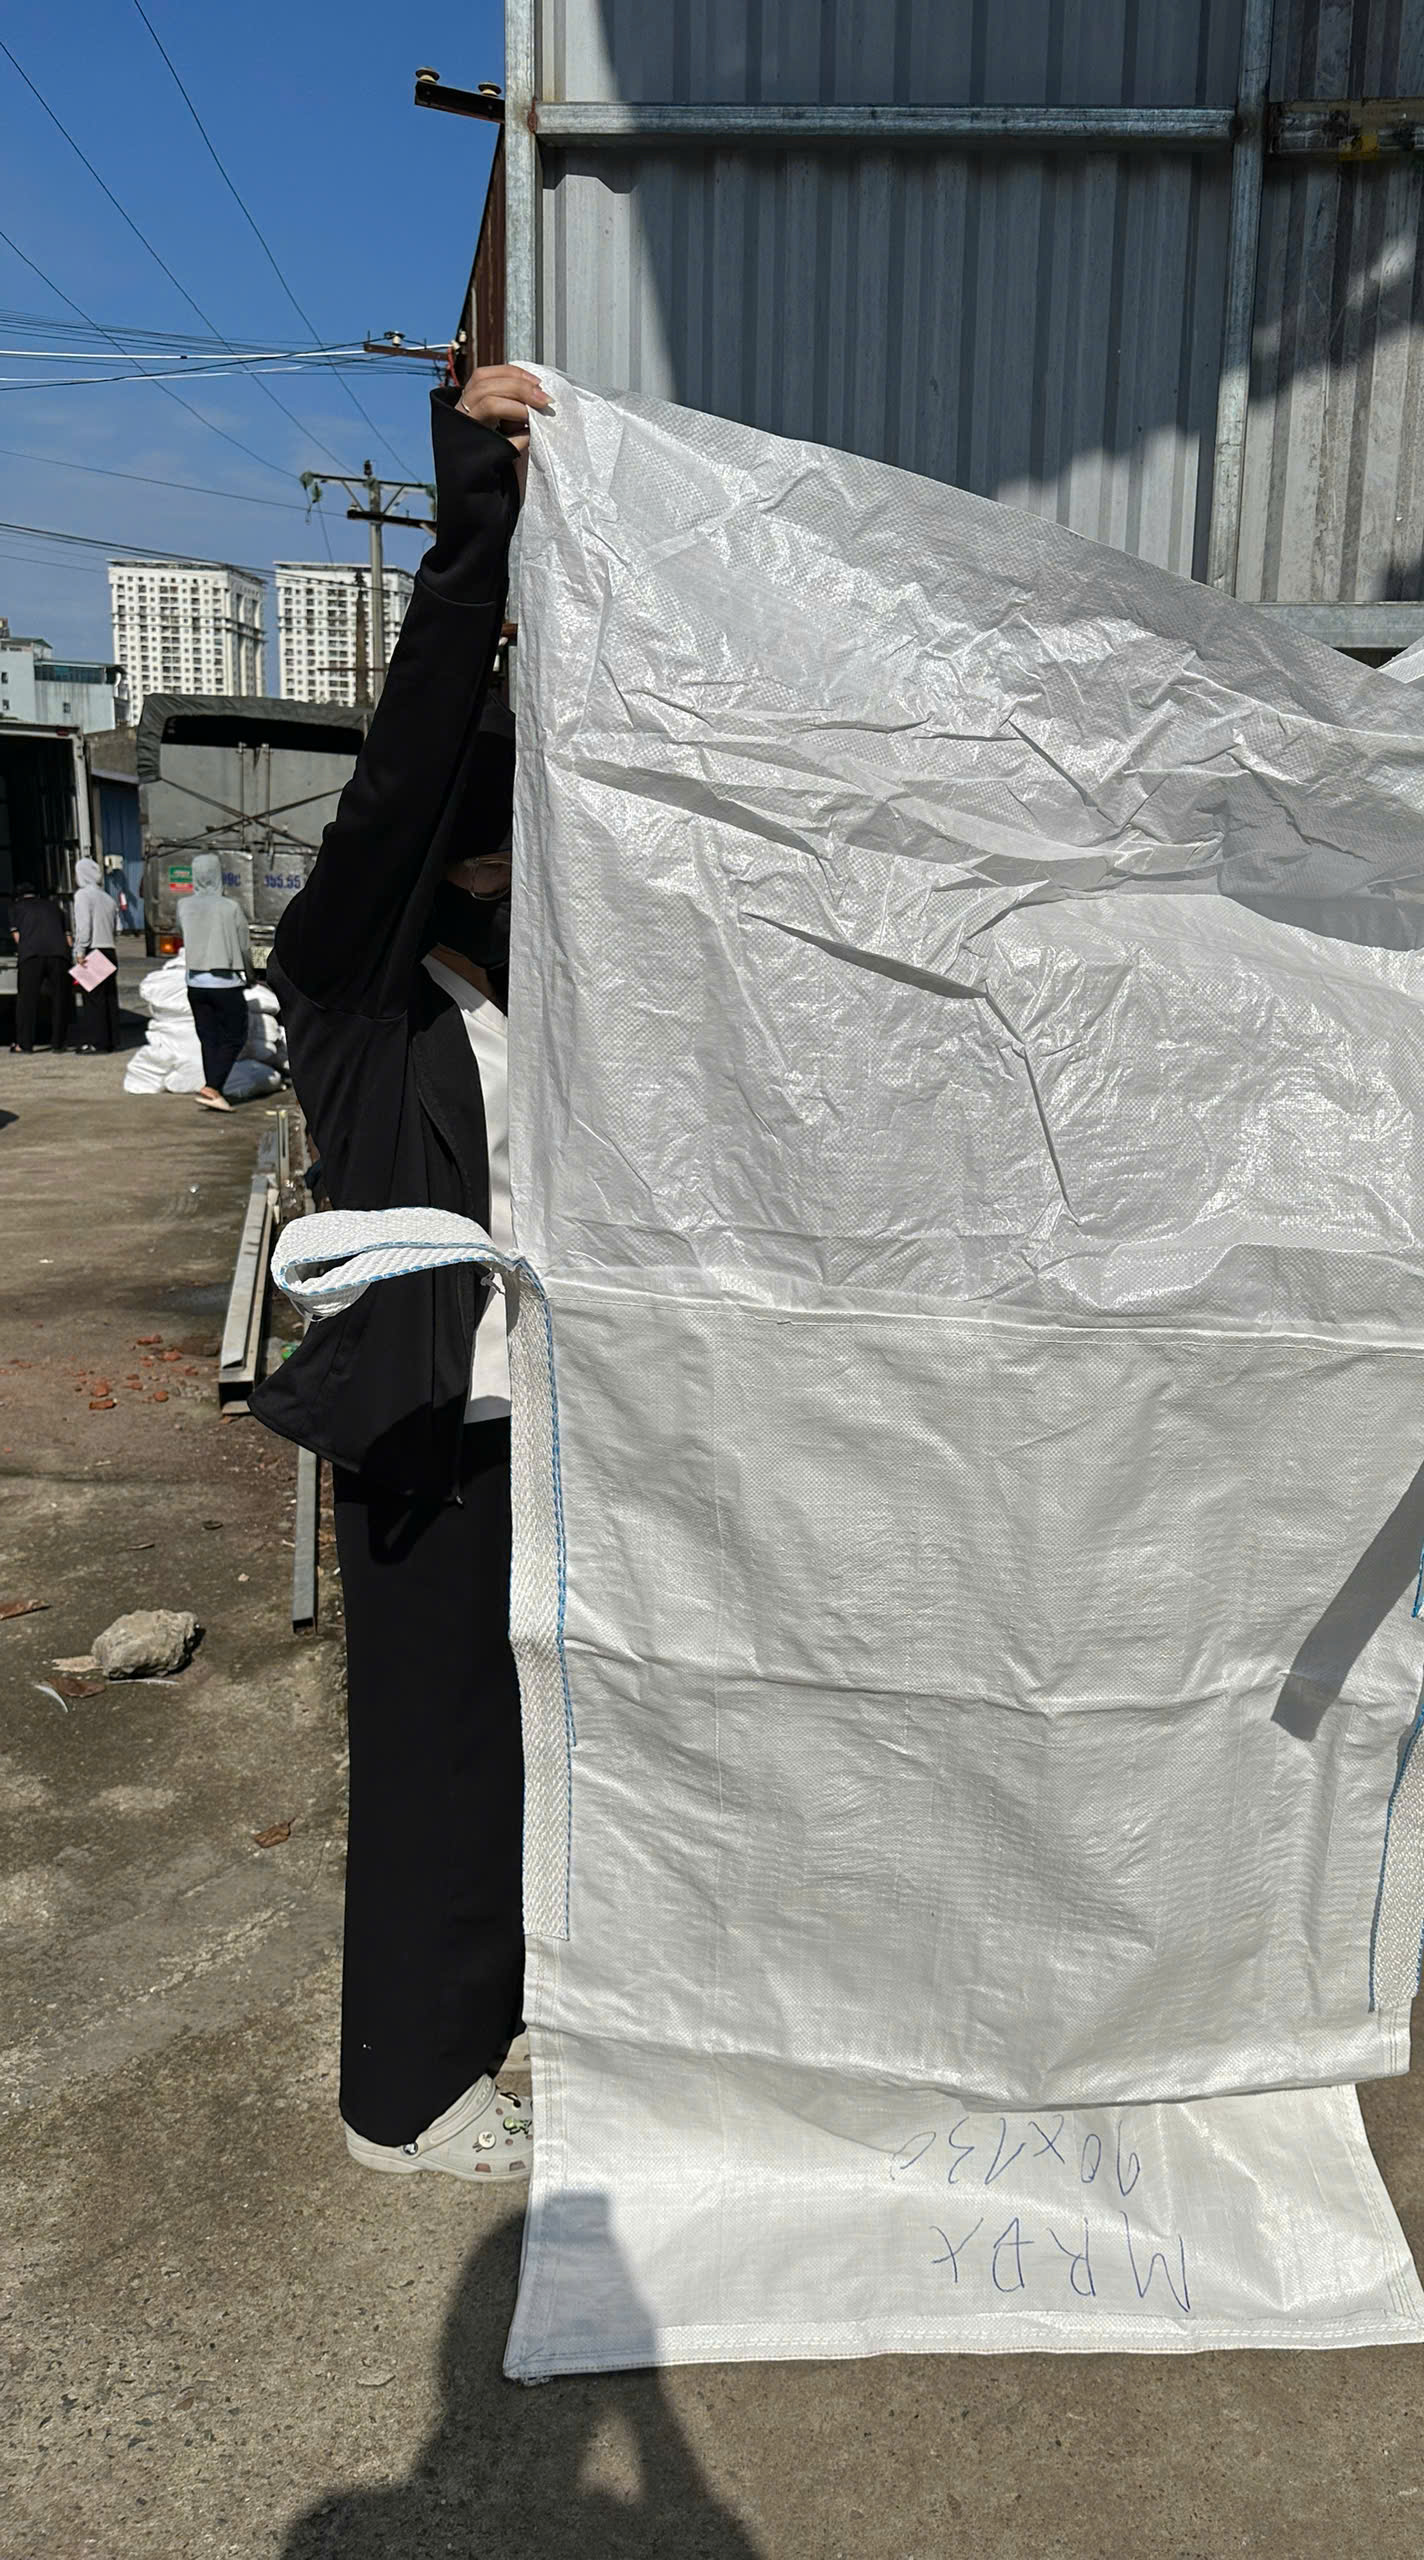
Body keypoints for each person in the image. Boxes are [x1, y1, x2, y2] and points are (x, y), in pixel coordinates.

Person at [250, 363, 550, 2182]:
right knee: (433, 1758)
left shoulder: (532, 997)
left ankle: (496, 2015)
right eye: (485, 830)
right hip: (430, 1428)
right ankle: (404, 2100)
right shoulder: (360, 988)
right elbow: (412, 758)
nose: (505, 859)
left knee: (518, 1748)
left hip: (550, 1433)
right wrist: (475, 513)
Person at [175, 854, 252, 1110]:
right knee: (236, 1035)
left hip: (195, 983)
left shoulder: (183, 905)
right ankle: (213, 1086)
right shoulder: (230, 907)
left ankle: (213, 1090)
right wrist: (251, 975)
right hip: (225, 984)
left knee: (209, 1038)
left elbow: (182, 933)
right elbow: (245, 947)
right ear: (219, 874)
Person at [8, 881, 72, 1053]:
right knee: (60, 999)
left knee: (27, 1000)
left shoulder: (16, 908)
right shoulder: (54, 907)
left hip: (32, 955)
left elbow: (17, 937)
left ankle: (25, 1044)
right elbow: (68, 938)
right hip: (59, 954)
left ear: (18, 896)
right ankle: (59, 1043)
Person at [68, 855, 120, 1054]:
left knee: (93, 1000)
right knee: (109, 997)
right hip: (109, 949)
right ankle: (111, 1040)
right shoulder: (108, 898)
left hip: (93, 948)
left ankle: (96, 1042)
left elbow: (84, 926)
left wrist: (79, 950)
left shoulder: (83, 895)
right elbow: (117, 927)